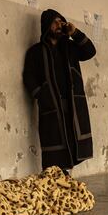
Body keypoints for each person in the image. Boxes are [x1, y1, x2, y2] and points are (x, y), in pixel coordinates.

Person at [23, 9, 96, 174]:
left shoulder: (71, 47)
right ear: (46, 26)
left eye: (60, 21)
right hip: (52, 105)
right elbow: (29, 77)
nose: (59, 25)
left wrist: (75, 33)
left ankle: (66, 177)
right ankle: (54, 179)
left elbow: (90, 52)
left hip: (72, 104)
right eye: (54, 22)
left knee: (72, 141)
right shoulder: (36, 51)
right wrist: (42, 95)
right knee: (54, 143)